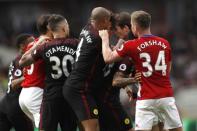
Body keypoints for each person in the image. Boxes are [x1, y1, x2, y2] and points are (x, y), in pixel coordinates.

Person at [99, 10, 183, 131]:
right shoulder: (165, 43)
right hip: (165, 96)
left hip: (146, 99)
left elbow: (107, 58)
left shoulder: (131, 45)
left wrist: (104, 38)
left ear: (134, 27)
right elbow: (168, 69)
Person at [19, 14, 78, 131]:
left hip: (51, 95)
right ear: (64, 28)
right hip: (70, 95)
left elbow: (22, 62)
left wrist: (35, 45)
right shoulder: (76, 43)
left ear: (50, 29)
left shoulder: (44, 47)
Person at [63, 7, 111, 131]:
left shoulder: (87, 28)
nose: (110, 24)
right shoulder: (97, 37)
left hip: (75, 85)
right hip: (80, 89)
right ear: (104, 21)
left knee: (86, 127)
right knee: (93, 128)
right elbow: (108, 57)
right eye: (109, 21)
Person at [19, 14, 52, 130]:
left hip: (24, 94)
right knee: (44, 126)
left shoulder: (33, 44)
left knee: (40, 126)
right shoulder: (47, 43)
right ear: (49, 27)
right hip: (36, 92)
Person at [0, 34, 34, 131]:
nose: (34, 43)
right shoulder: (21, 60)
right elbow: (14, 84)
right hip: (16, 106)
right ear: (22, 46)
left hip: (5, 103)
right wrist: (27, 76)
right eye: (31, 41)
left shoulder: (19, 59)